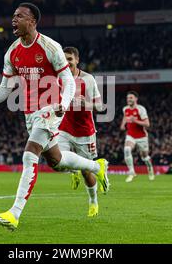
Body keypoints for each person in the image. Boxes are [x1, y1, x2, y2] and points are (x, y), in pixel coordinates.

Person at [0, 3, 109, 230]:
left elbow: (69, 81)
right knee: (57, 161)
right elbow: (5, 87)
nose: (13, 19)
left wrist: (62, 104)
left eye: (19, 16)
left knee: (29, 154)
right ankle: (96, 167)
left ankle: (14, 213)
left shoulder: (50, 47)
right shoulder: (12, 52)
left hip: (51, 109)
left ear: (32, 21)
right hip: (30, 113)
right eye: (12, 15)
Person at [58, 46, 106, 217]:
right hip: (64, 128)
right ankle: (73, 170)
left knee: (87, 172)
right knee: (58, 161)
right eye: (64, 59)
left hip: (85, 132)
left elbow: (100, 106)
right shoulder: (57, 78)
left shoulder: (88, 79)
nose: (67, 62)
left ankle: (93, 201)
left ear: (77, 60)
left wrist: (86, 104)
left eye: (70, 59)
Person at [120, 91, 155, 182]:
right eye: (128, 98)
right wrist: (123, 124)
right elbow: (125, 117)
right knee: (127, 149)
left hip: (142, 137)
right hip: (130, 135)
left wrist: (135, 121)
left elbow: (147, 124)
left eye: (131, 98)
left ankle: (150, 168)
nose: (129, 100)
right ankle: (132, 172)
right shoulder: (125, 109)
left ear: (136, 99)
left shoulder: (141, 109)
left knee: (144, 156)